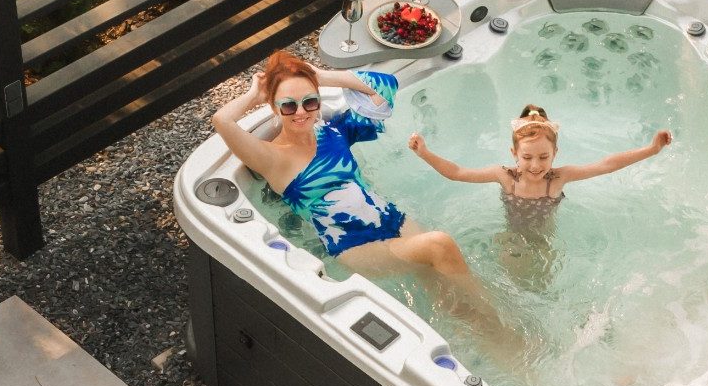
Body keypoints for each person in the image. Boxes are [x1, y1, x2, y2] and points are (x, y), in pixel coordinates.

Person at [209, 51, 485, 287]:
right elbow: (222, 120)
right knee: (439, 245)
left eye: (309, 101)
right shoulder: (272, 157)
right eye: (289, 105)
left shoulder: (334, 132)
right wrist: (254, 94)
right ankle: (496, 328)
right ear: (273, 106)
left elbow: (386, 87)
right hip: (353, 244)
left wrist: (320, 75)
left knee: (438, 279)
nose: (301, 112)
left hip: (390, 218)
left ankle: (483, 327)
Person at [404, 105, 672, 234]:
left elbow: (606, 165)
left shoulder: (558, 178)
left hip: (545, 240)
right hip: (511, 239)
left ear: (555, 154)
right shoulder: (505, 177)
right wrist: (424, 153)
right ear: (514, 154)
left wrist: (651, 149)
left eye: (544, 157)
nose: (535, 165)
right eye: (527, 157)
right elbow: (457, 173)